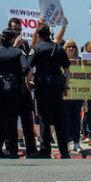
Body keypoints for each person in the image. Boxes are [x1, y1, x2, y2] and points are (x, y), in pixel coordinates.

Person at [0, 28, 28, 158]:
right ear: (13, 39)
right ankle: (12, 151)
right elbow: (25, 68)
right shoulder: (18, 52)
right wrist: (16, 76)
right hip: (13, 90)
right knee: (12, 120)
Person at [30, 23, 70, 158]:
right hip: (57, 88)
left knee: (44, 119)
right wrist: (65, 86)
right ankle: (64, 151)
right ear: (49, 34)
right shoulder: (59, 49)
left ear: (39, 35)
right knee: (59, 120)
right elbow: (67, 70)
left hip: (42, 88)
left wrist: (28, 83)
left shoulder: (36, 49)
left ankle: (45, 150)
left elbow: (28, 68)